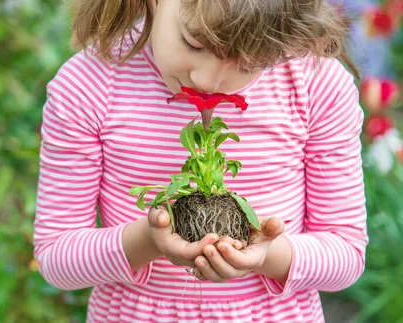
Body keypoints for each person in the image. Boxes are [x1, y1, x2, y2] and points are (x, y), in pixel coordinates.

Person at [33, 0, 368, 322]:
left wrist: (267, 255)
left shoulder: (317, 85)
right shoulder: (87, 87)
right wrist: (149, 241)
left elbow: (346, 256)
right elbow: (56, 257)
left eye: (248, 63)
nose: (207, 81)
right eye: (194, 43)